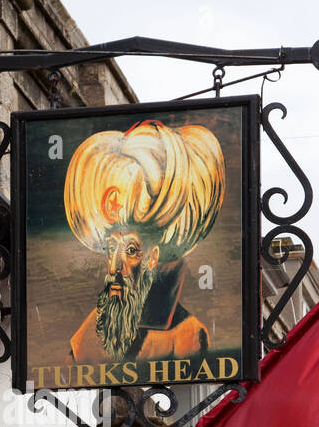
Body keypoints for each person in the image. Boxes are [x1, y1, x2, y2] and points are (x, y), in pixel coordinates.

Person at [62, 119, 225, 364]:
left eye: (130, 250)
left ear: (152, 257)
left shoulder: (187, 336)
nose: (115, 266)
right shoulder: (84, 340)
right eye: (112, 248)